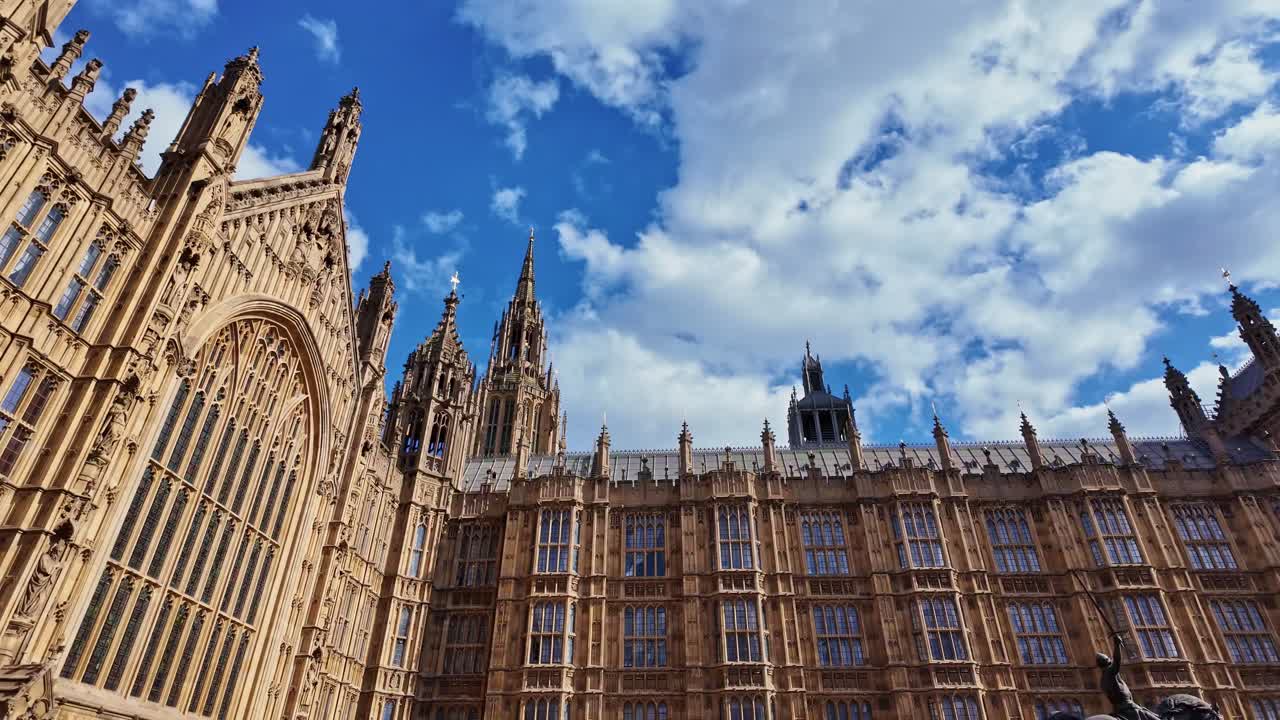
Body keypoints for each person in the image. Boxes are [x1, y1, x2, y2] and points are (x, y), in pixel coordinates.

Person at [1096, 633, 1162, 720]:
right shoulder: (1110, 672)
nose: (1111, 661)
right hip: (1129, 709)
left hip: (1119, 710)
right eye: (1109, 660)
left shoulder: (1103, 679)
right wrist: (1117, 644)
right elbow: (1117, 660)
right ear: (1108, 662)